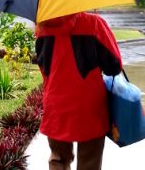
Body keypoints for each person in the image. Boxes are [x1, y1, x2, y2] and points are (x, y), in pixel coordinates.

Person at [35, 12, 122, 170]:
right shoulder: (94, 23)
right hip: (89, 107)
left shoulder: (42, 28)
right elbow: (113, 66)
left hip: (55, 106)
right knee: (89, 161)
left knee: (58, 160)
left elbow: (44, 69)